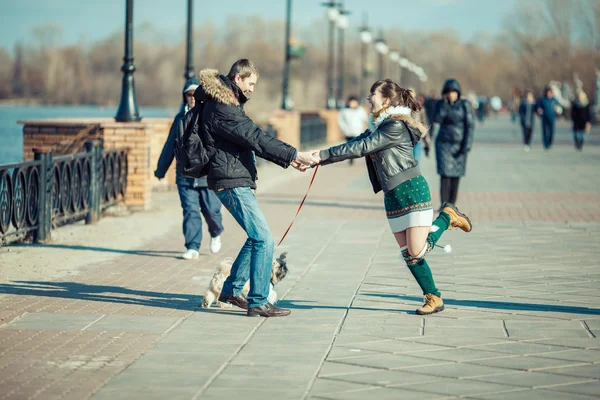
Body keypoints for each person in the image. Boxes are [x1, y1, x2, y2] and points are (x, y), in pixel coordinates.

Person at [311, 79, 473, 315]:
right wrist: (318, 157)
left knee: (417, 251)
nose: (368, 99)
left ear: (386, 100)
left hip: (412, 192)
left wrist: (320, 155)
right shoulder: (378, 126)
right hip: (392, 196)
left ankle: (447, 218)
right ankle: (434, 297)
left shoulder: (394, 126)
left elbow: (362, 147)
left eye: (372, 95)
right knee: (408, 254)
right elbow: (355, 143)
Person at [194, 59, 318, 318]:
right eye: (250, 83)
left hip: (233, 179)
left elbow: (252, 139)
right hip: (230, 181)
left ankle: (230, 289)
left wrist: (291, 158)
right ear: (238, 78)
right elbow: (255, 137)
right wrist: (293, 155)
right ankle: (258, 301)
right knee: (264, 239)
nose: (252, 89)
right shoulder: (223, 107)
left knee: (256, 238)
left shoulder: (226, 103)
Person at [155, 78, 224, 260]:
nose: (192, 98)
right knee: (190, 211)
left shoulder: (210, 115)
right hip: (185, 177)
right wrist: (161, 170)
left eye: (195, 94)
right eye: (189, 95)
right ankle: (192, 247)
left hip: (207, 176)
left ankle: (216, 232)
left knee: (211, 211)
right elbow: (171, 144)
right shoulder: (180, 119)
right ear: (185, 97)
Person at [433, 79, 475, 210]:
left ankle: (452, 203)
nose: (451, 95)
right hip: (443, 144)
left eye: (453, 92)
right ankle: (444, 203)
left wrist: (467, 144)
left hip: (459, 144)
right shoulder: (441, 104)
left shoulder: (465, 105)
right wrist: (444, 106)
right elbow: (437, 119)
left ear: (458, 93)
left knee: (456, 175)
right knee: (445, 175)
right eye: (448, 92)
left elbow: (470, 125)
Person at [337, 95, 368, 165]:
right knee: (349, 145)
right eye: (351, 103)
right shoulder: (344, 110)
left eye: (354, 103)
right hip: (347, 131)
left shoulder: (360, 110)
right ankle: (350, 158)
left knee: (354, 145)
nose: (352, 104)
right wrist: (343, 128)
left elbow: (365, 119)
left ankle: (352, 157)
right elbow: (340, 120)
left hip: (357, 131)